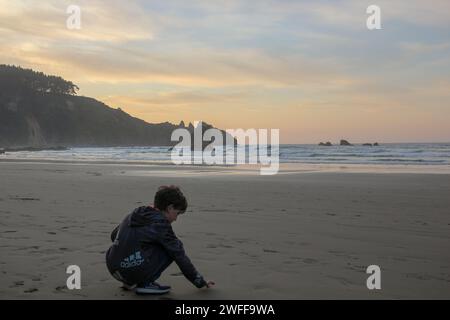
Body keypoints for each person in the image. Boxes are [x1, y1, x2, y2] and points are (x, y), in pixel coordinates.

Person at [105, 185, 214, 294]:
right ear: (170, 208)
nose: (176, 219)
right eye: (177, 213)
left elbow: (114, 235)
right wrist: (199, 280)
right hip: (131, 270)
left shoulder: (134, 214)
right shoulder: (161, 225)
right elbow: (179, 255)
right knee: (173, 247)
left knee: (149, 243)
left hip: (113, 267)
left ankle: (129, 281)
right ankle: (145, 283)